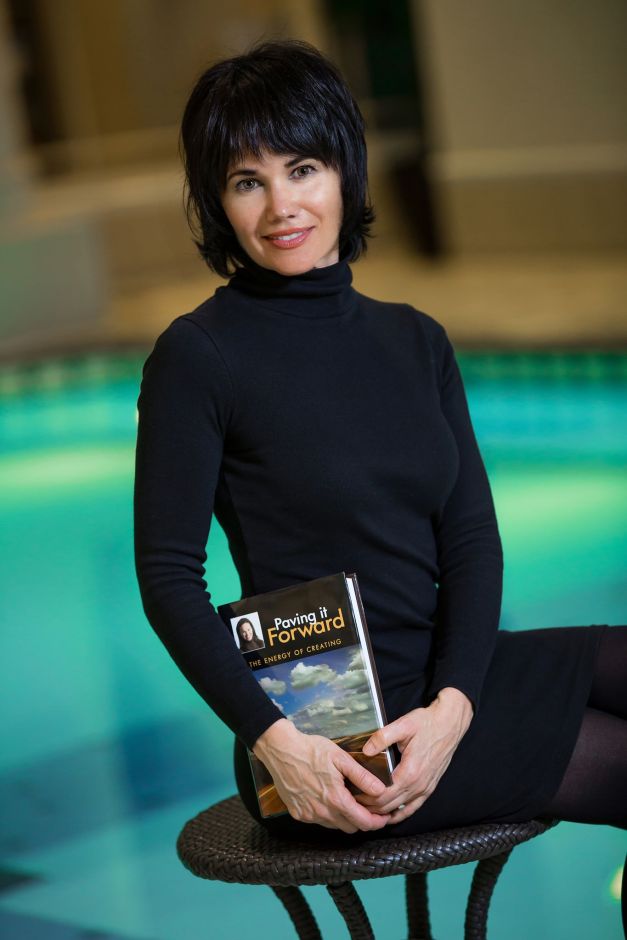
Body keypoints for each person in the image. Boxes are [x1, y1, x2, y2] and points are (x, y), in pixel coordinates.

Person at [133, 36, 626, 931]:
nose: (281, 205)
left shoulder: (414, 339)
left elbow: (470, 539)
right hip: (332, 729)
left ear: (343, 172)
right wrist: (277, 743)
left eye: (302, 168)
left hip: (443, 682)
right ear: (216, 199)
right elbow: (168, 577)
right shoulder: (197, 357)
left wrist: (455, 706)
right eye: (246, 181)